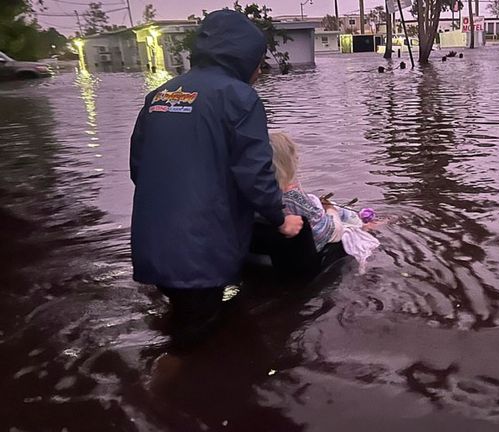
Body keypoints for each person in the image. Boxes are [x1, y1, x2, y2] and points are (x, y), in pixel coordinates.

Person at [129, 10, 303, 348]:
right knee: (195, 339)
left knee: (187, 314)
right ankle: (161, 384)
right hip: (200, 253)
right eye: (258, 62)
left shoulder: (160, 95)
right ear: (244, 58)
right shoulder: (239, 97)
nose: (259, 71)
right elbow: (255, 171)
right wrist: (280, 219)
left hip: (153, 245)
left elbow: (139, 168)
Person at [268, 132, 379, 271]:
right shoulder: (292, 197)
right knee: (343, 221)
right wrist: (330, 208)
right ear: (288, 161)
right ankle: (367, 226)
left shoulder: (254, 196)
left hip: (268, 252)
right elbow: (332, 231)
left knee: (327, 208)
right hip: (303, 256)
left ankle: (366, 224)